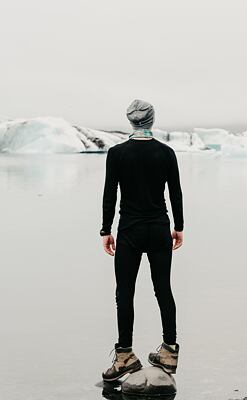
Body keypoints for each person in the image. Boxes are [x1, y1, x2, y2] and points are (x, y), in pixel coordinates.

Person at [100, 99, 184, 381]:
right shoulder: (166, 153)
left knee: (125, 292)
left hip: (130, 231)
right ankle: (169, 353)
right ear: (152, 120)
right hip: (159, 228)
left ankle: (125, 357)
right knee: (163, 289)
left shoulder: (116, 153)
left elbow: (110, 194)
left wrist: (105, 230)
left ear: (130, 120)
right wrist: (179, 227)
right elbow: (176, 193)